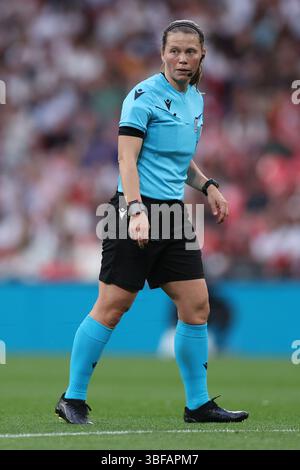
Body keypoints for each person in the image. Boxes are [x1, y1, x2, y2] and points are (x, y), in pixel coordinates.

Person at [55, 20, 249, 425]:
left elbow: (178, 161)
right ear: (162, 54)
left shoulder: (195, 99)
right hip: (131, 210)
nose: (182, 58)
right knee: (112, 306)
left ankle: (198, 405)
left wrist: (208, 184)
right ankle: (72, 398)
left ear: (202, 56)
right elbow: (127, 159)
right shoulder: (141, 97)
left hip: (174, 214)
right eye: (174, 51)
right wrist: (137, 210)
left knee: (197, 306)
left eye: (190, 52)